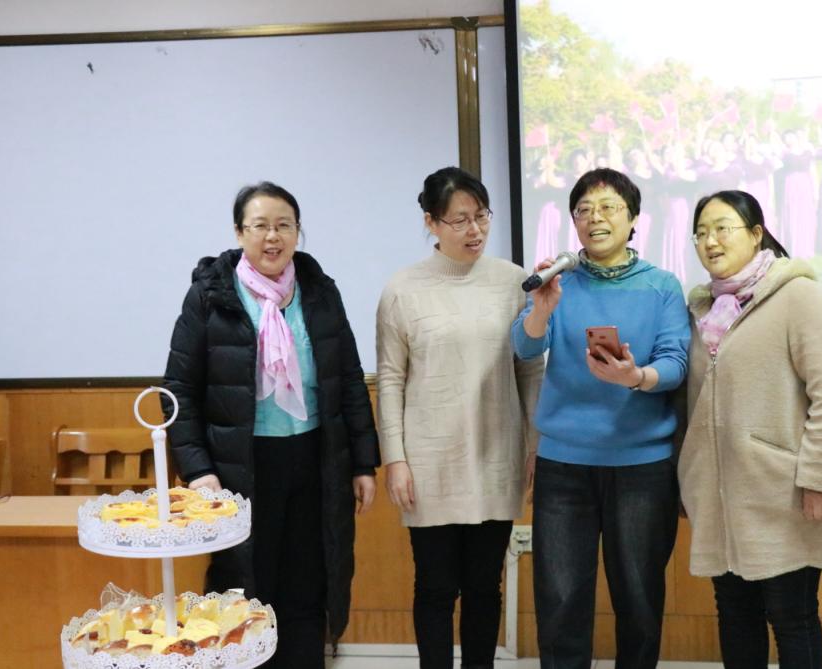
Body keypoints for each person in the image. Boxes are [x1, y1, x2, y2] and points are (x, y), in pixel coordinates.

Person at [162, 181, 379, 668]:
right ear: (239, 232)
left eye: (284, 225)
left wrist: (363, 464)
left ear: (298, 232)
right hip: (239, 467)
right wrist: (198, 470)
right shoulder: (210, 296)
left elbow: (348, 379)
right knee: (245, 587)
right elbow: (179, 390)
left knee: (309, 582)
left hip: (314, 461)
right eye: (260, 226)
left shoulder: (319, 292)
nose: (273, 237)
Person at [511, 168, 690, 668]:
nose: (595, 218)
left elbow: (676, 363)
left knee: (639, 597)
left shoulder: (661, 285)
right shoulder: (558, 281)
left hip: (641, 466)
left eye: (609, 207)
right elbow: (524, 346)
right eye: (584, 210)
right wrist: (541, 309)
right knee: (560, 599)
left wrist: (636, 377)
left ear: (633, 219)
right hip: (564, 465)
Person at [376, 167, 543, 669]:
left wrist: (535, 444)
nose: (474, 230)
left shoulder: (512, 282)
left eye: (482, 217)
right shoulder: (403, 289)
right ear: (431, 222)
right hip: (429, 462)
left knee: (484, 586)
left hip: (495, 453)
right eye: (459, 220)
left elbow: (530, 369)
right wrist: (395, 459)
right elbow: (390, 379)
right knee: (435, 587)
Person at [678, 190, 822, 669]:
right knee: (735, 614)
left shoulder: (798, 295)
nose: (710, 241)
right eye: (701, 232)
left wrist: (819, 477)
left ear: (756, 234)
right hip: (718, 495)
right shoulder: (702, 309)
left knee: (791, 615)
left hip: (783, 491)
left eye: (723, 228)